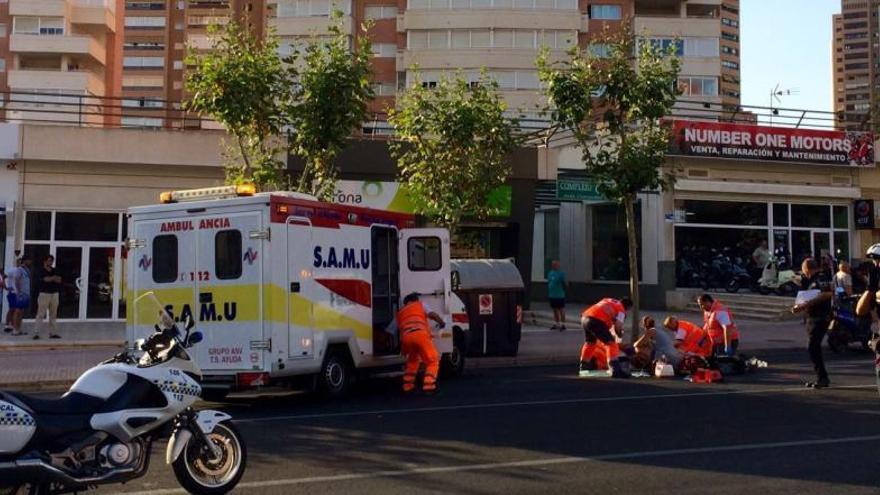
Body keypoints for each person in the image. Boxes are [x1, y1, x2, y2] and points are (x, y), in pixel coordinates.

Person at [792, 257, 833, 389]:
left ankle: (822, 377)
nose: (803, 273)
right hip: (812, 316)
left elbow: (827, 294)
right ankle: (822, 377)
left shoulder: (820, 278)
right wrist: (800, 306)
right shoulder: (810, 280)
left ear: (807, 268)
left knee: (812, 346)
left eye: (804, 270)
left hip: (820, 316)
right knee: (813, 347)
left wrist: (806, 305)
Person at [396, 293, 444, 394]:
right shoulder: (420, 304)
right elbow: (432, 315)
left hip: (406, 338)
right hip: (420, 335)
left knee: (413, 360)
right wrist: (441, 322)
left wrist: (403, 349)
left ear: (406, 302)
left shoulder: (401, 312)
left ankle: (408, 386)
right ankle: (429, 385)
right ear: (416, 300)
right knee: (433, 360)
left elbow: (395, 330)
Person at [579, 297, 632, 373]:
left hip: (585, 318)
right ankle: (615, 369)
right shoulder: (621, 310)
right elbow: (618, 327)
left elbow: (603, 311)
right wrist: (620, 334)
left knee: (590, 342)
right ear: (628, 308)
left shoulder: (608, 300)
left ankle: (583, 366)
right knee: (611, 343)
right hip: (597, 321)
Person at [34, 254, 61, 340]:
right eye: (49, 260)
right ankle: (36, 333)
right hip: (44, 294)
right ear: (45, 261)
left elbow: (59, 280)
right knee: (41, 313)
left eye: (52, 260)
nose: (51, 262)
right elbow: (45, 279)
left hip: (54, 294)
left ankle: (53, 333)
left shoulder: (55, 270)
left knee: (53, 314)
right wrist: (53, 278)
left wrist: (51, 278)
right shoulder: (40, 270)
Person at [6, 256, 32, 336]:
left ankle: (19, 328)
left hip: (26, 293)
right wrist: (19, 292)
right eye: (29, 260)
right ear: (25, 261)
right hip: (21, 293)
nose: (30, 262)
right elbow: (17, 280)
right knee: (17, 311)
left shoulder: (27, 270)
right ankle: (15, 329)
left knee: (21, 311)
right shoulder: (19, 269)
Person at [546, 260, 568, 331]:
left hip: (560, 295)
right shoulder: (550, 273)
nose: (554, 265)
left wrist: (564, 288)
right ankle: (557, 323)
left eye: (556, 264)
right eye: (553, 264)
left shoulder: (561, 274)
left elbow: (565, 283)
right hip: (552, 295)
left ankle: (563, 324)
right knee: (554, 310)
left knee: (561, 309)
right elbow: (549, 282)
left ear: (558, 265)